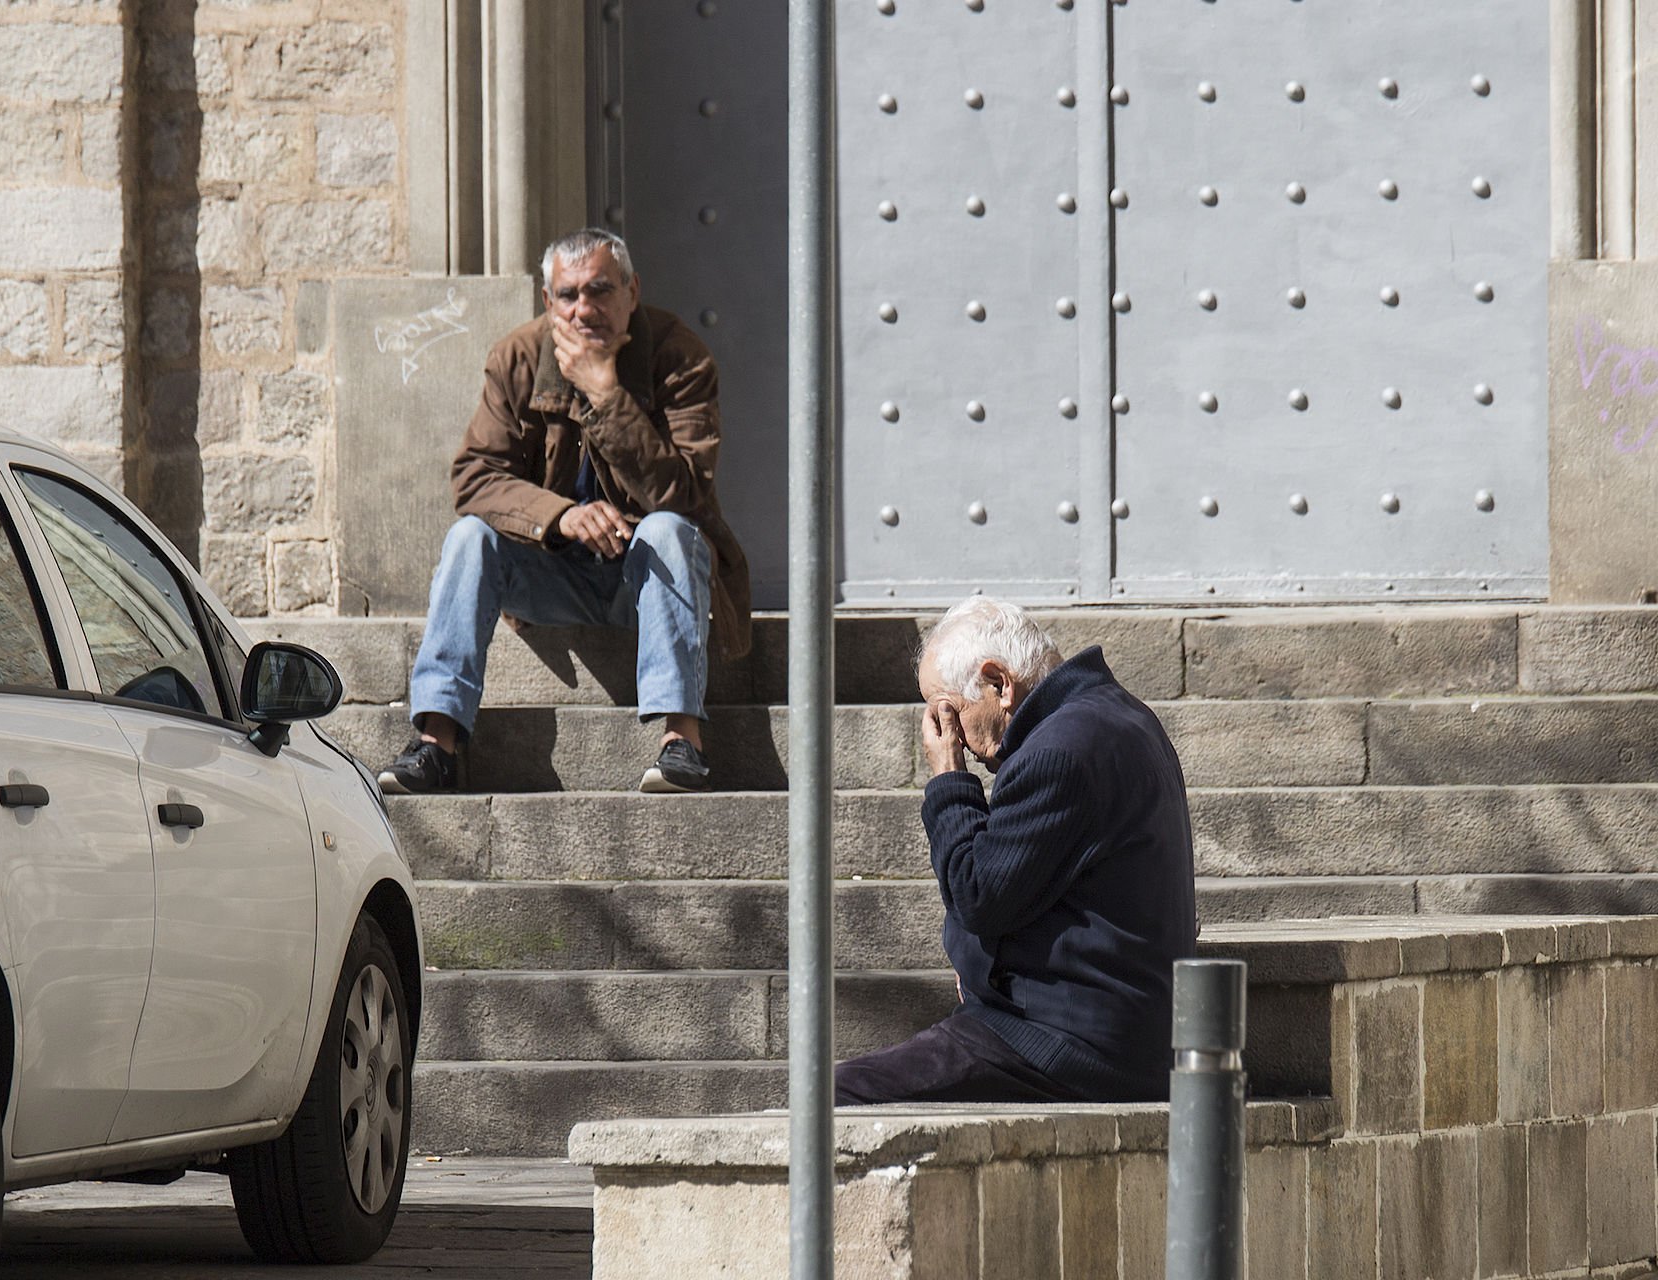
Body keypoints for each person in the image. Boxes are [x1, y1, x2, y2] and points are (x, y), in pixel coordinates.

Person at [378, 228, 750, 796]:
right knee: (469, 538)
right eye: (569, 295)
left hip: (645, 577)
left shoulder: (679, 357)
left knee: (671, 529)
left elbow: (685, 494)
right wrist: (559, 516)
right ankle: (436, 742)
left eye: (600, 290)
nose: (585, 309)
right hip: (549, 575)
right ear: (549, 303)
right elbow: (475, 477)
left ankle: (682, 741)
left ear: (631, 291)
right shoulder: (518, 357)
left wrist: (607, 396)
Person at [834, 597, 1196, 1104]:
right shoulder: (1121, 718)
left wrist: (949, 779)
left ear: (999, 684)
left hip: (1074, 1045)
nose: (949, 733)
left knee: (833, 1097)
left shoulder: (1058, 751)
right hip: (1112, 1032)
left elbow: (977, 895)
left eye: (950, 710)